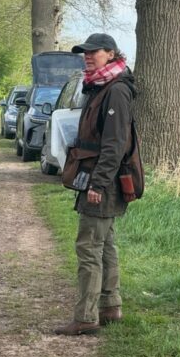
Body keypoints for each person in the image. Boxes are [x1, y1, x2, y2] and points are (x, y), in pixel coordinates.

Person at [55, 33, 136, 335]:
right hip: (98, 177)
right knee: (105, 244)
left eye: (94, 52)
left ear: (111, 53)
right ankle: (110, 306)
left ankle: (86, 317)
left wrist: (98, 185)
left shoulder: (116, 91)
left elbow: (114, 145)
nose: (87, 56)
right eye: (85, 53)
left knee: (89, 247)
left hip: (103, 180)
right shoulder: (101, 86)